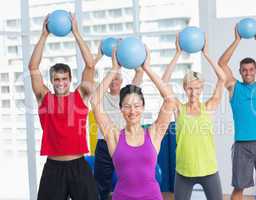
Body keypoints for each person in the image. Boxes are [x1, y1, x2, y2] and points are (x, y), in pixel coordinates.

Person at [91, 47, 176, 200]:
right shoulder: (114, 136)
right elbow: (94, 101)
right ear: (121, 109)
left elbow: (169, 99)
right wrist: (114, 69)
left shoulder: (154, 133)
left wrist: (147, 68)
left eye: (137, 106)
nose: (132, 111)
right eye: (127, 106)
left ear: (143, 107)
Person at [28, 15, 98, 200]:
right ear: (51, 80)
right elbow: (33, 67)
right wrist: (44, 35)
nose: (61, 83)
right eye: (57, 79)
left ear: (69, 80)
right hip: (53, 169)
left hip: (78, 166)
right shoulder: (44, 98)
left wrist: (76, 32)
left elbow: (90, 65)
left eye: (64, 79)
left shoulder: (80, 96)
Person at [218, 24, 256, 200]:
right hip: (241, 146)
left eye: (251, 69)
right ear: (240, 72)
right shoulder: (233, 87)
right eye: (244, 70)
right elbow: (221, 63)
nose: (248, 73)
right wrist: (237, 40)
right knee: (239, 188)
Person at [162, 34, 226, 200]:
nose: (193, 93)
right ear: (184, 88)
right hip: (184, 170)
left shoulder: (209, 107)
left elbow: (222, 78)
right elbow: (164, 82)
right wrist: (177, 54)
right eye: (190, 88)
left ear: (202, 89)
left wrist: (206, 54)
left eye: (197, 89)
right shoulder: (178, 108)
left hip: (209, 169)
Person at [93, 45, 144, 200]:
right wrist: (103, 58)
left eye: (117, 79)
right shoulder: (101, 96)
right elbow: (89, 71)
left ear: (122, 81)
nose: (114, 81)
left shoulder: (127, 96)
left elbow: (140, 72)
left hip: (124, 142)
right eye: (112, 78)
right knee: (101, 184)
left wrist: (126, 51)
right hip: (104, 144)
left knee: (132, 181)